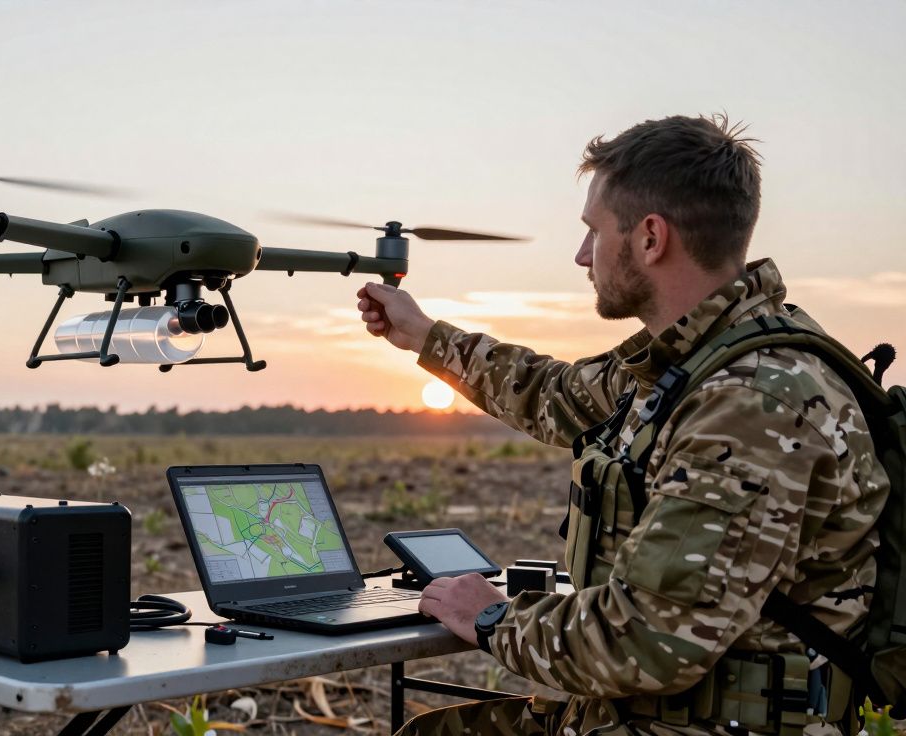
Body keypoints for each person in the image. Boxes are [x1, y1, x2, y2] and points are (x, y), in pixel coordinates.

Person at [356, 114, 889, 735]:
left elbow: (646, 641)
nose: (582, 255)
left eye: (594, 231)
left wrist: (493, 617)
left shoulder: (747, 405)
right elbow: (556, 394)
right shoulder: (698, 358)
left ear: (650, 238)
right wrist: (423, 335)